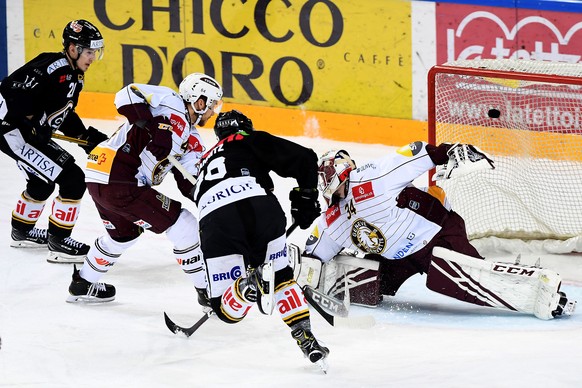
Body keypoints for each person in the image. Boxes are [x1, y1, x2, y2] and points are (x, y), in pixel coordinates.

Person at [296, 142, 575, 320]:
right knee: (369, 285)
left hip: (437, 234)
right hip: (399, 257)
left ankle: (541, 288)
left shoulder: (373, 176)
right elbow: (313, 256)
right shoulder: (333, 219)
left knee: (469, 280)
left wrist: (449, 150)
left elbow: (417, 154)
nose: (325, 183)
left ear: (344, 170)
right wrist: (298, 274)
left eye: (327, 175)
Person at [66, 73, 223, 305]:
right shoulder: (170, 101)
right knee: (186, 227)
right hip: (118, 176)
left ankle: (84, 282)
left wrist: (216, 202)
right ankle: (207, 292)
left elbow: (189, 181)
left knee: (123, 234)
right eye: (212, 106)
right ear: (199, 102)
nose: (212, 112)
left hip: (102, 179)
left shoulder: (192, 139)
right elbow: (126, 94)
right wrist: (154, 126)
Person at [191, 109, 329, 369]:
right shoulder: (247, 138)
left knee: (226, 311)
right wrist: (305, 198)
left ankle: (245, 287)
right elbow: (305, 158)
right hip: (260, 207)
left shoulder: (203, 162)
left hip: (214, 219)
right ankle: (306, 338)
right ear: (245, 127)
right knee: (282, 278)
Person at [0, 20, 109, 263]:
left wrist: (84, 137)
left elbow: (63, 113)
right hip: (12, 131)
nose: (92, 57)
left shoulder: (74, 76)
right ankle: (59, 242)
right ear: (73, 49)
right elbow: (11, 89)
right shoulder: (53, 66)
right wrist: (31, 121)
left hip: (22, 132)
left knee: (42, 179)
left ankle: (22, 231)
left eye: (95, 52)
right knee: (72, 178)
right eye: (89, 51)